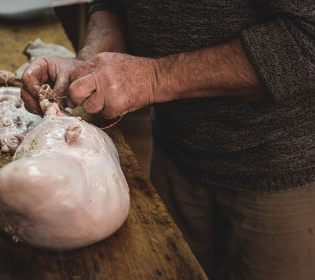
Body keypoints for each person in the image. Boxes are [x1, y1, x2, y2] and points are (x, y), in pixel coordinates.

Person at [21, 1, 315, 279]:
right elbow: (112, 4)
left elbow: (306, 36)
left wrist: (155, 78)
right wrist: (90, 63)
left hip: (277, 167)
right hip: (175, 149)